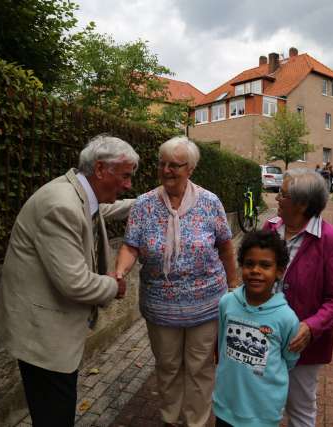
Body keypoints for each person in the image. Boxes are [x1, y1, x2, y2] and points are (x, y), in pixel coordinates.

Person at [0, 134, 139, 426]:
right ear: (100, 169)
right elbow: (76, 283)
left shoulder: (75, 191)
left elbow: (101, 210)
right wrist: (115, 285)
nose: (128, 184)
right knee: (55, 415)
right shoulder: (62, 206)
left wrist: (148, 201)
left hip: (47, 330)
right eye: (125, 176)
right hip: (43, 337)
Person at [115, 136, 238, 427]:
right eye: (163, 164)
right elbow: (130, 245)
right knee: (168, 366)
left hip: (206, 304)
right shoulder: (144, 204)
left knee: (200, 367)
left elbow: (225, 246)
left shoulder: (210, 202)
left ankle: (195, 422)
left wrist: (233, 286)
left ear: (190, 169)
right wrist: (120, 271)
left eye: (175, 165)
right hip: (161, 305)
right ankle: (170, 419)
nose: (167, 170)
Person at [263, 168, 333, 427]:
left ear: (301, 204)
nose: (276, 199)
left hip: (301, 344)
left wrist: (311, 328)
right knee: (264, 402)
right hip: (265, 335)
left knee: (300, 408)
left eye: (282, 195)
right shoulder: (271, 228)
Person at [213, 230, 300, 427]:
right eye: (249, 264)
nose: (256, 271)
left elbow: (289, 360)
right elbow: (221, 346)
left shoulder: (286, 318)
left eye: (266, 265)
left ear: (280, 271)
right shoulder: (227, 303)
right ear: (241, 265)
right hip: (226, 406)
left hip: (263, 413)